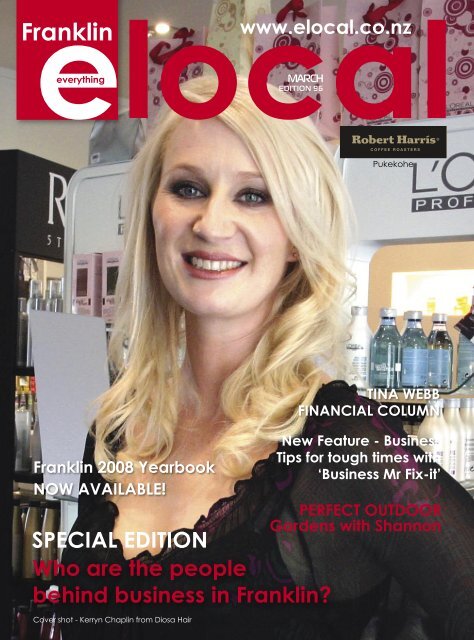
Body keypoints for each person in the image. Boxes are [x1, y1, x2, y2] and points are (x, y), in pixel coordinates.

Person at [58, 76, 474, 639]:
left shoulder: (341, 445)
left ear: (297, 236)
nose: (211, 224)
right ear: (152, 212)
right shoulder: (115, 430)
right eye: (187, 188)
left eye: (253, 195)